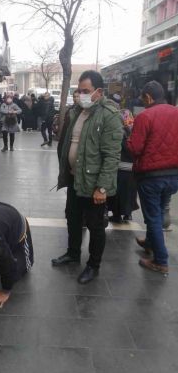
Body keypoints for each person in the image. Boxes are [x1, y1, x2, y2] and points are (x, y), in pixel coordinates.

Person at [52, 70, 123, 284]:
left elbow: (112, 156)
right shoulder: (78, 111)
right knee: (72, 218)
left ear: (99, 92)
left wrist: (102, 188)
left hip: (93, 185)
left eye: (86, 91)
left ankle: (93, 265)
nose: (81, 94)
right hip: (75, 178)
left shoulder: (109, 116)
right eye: (79, 90)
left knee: (95, 226)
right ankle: (73, 253)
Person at [127, 80, 178, 274]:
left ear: (148, 97)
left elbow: (135, 148)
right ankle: (149, 243)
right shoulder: (176, 112)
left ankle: (160, 261)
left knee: (153, 218)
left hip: (151, 177)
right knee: (159, 210)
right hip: (174, 175)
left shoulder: (145, 116)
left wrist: (127, 134)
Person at [108, 108, 139, 223]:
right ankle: (128, 214)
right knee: (130, 192)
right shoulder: (135, 130)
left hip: (119, 167)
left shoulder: (118, 131)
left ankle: (117, 215)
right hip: (131, 168)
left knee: (117, 192)